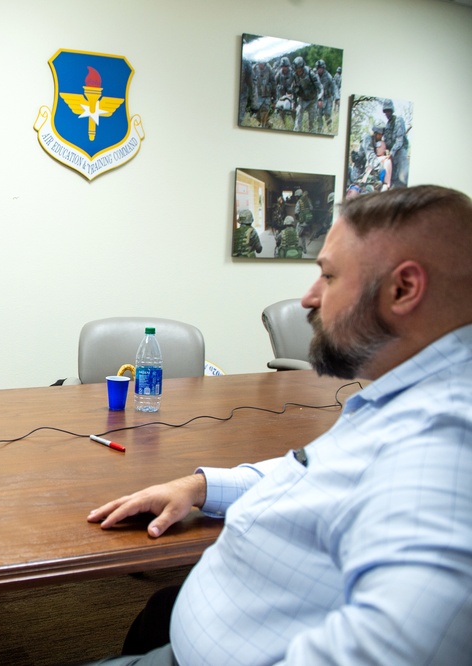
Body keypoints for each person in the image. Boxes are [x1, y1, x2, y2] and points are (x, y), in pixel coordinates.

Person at [86, 185, 472, 665]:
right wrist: (201, 485)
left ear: (404, 289)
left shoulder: (447, 444)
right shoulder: (409, 392)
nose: (308, 298)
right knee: (160, 611)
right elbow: (314, 472)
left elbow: (391, 653)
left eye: (328, 276)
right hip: (195, 630)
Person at [290, 56, 323, 133]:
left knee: (312, 122)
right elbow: (294, 89)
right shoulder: (295, 75)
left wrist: (320, 99)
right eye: (296, 70)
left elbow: (320, 87)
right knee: (298, 119)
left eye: (299, 70)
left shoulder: (311, 73)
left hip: (313, 100)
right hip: (302, 99)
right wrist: (293, 103)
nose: (298, 72)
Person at [382, 99, 409, 188]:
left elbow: (399, 140)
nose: (387, 113)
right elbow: (385, 141)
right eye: (385, 111)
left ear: (392, 110)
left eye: (388, 110)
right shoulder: (387, 125)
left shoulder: (398, 120)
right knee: (392, 181)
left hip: (400, 152)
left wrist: (391, 153)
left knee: (402, 179)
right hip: (392, 155)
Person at [249, 60, 276, 128]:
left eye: (262, 64)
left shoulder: (269, 69)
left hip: (267, 94)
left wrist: (274, 98)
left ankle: (263, 126)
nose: (261, 65)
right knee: (257, 116)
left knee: (265, 110)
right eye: (260, 64)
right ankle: (268, 124)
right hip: (258, 95)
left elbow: (273, 82)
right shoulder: (254, 68)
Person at [314, 59, 337, 132]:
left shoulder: (328, 76)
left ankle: (329, 129)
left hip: (327, 98)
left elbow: (334, 87)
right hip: (318, 98)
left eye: (321, 68)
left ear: (323, 68)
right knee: (318, 115)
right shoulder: (315, 76)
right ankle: (320, 130)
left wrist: (337, 98)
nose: (319, 70)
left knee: (327, 114)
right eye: (318, 68)